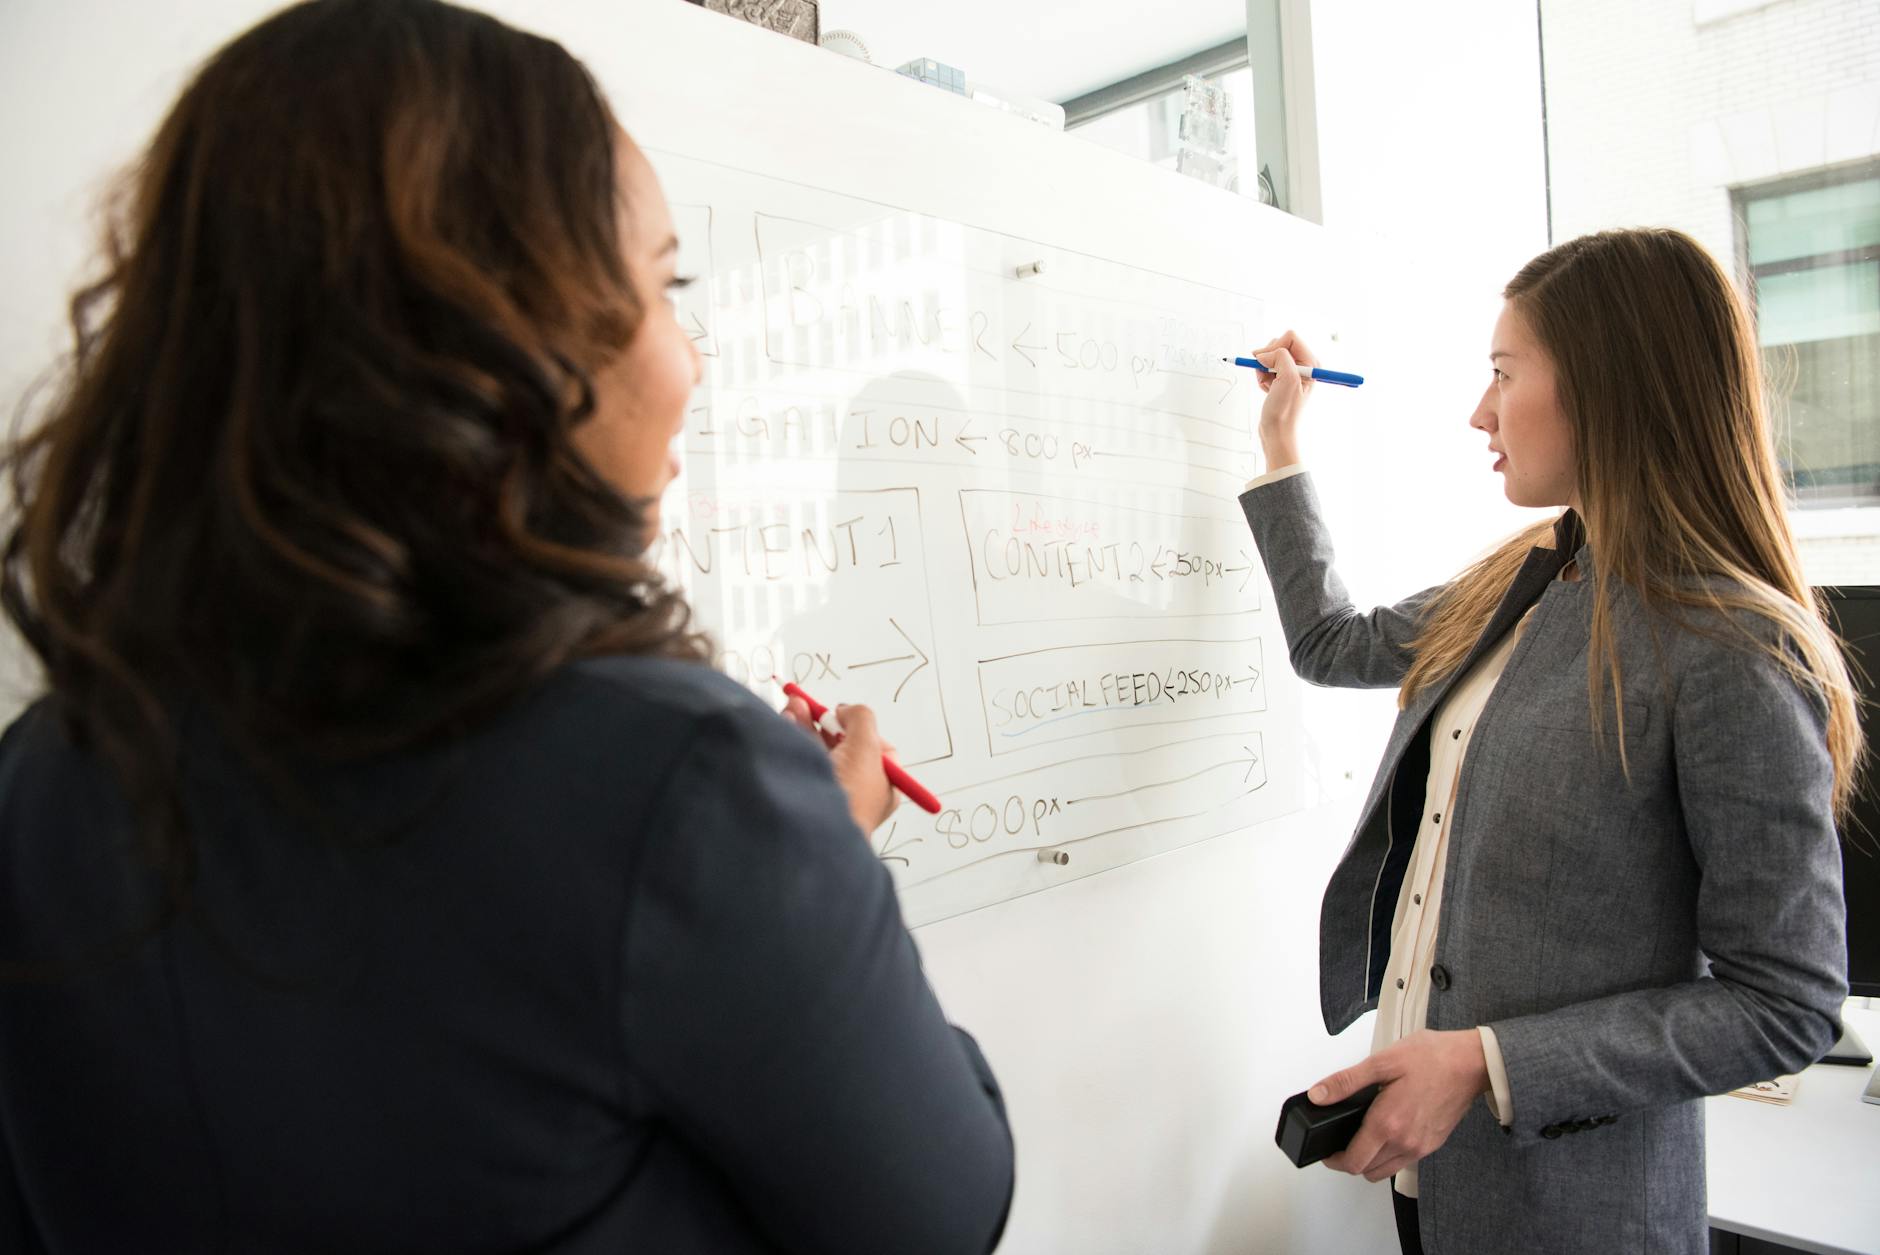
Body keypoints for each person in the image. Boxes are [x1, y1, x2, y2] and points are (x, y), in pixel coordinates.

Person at [0, 2, 1013, 1252]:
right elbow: (939, 1215)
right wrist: (827, 859)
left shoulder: (43, 771)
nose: (690, 356)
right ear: (493, 342)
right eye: (661, 287)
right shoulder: (682, 783)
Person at [1238, 229, 1855, 1255]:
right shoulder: (1525, 577)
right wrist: (1280, 451)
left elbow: (1783, 1004)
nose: (1478, 412)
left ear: (1608, 387)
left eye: (1501, 374)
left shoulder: (1726, 644)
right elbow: (1329, 643)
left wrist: (1485, 1062)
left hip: (1575, 1213)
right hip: (1428, 1182)